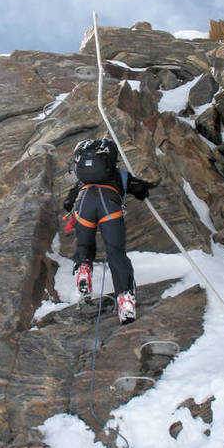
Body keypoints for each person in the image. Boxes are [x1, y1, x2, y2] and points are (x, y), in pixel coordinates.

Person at [62, 138, 153, 324]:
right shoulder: (120, 175)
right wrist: (144, 188)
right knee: (116, 254)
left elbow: (67, 204)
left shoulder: (81, 182)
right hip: (109, 207)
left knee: (85, 244)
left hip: (84, 204)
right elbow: (141, 189)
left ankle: (83, 271)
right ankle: (125, 301)